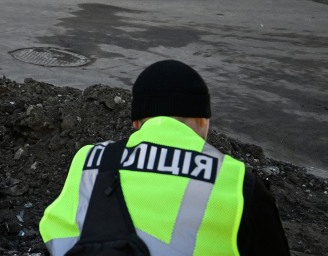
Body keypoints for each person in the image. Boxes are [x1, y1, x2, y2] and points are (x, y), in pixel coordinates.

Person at [39, 60, 290, 256]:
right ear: (204, 121)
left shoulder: (90, 160)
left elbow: (55, 236)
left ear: (136, 123)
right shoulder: (236, 182)